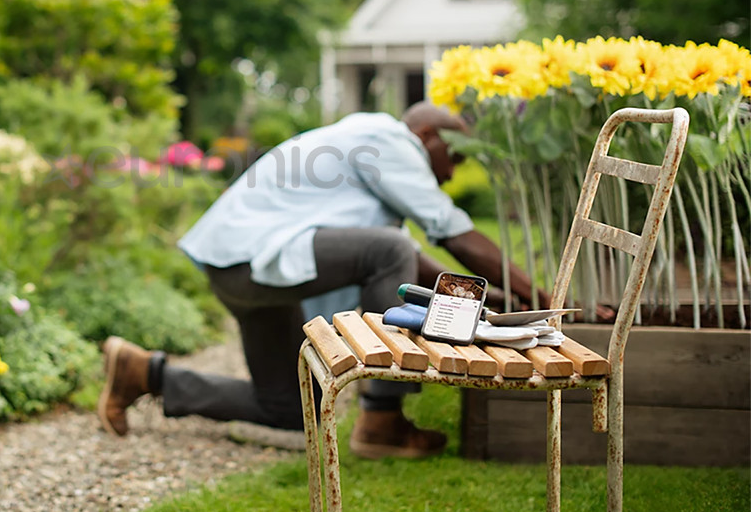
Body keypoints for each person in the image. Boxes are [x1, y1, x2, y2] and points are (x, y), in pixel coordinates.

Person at [97, 102, 551, 459]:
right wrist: (546, 295)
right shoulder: (389, 140)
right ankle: (382, 419)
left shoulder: (360, 144)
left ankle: (144, 374)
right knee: (389, 250)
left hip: (241, 264)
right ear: (426, 136)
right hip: (255, 259)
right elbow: (451, 233)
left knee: (293, 408)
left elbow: (414, 264)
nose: (451, 173)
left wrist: (503, 302)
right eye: (452, 157)